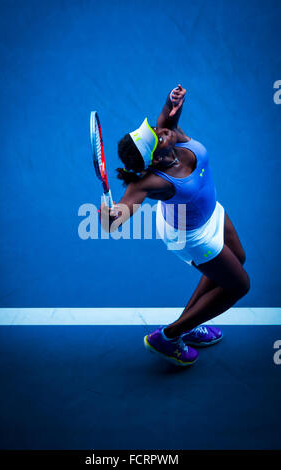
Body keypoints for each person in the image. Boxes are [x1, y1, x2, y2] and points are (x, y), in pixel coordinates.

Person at [100, 84, 250, 367]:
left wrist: (171, 99)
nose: (160, 131)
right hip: (191, 236)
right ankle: (168, 337)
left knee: (238, 259)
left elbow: (167, 116)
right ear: (155, 158)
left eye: (154, 131)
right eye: (156, 137)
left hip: (210, 212)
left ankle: (190, 323)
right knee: (240, 285)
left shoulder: (171, 136)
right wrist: (108, 216)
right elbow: (116, 219)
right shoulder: (151, 182)